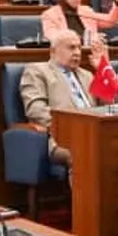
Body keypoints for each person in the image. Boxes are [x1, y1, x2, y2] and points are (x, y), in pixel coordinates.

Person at [18, 31, 106, 165]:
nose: (77, 52)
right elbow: (35, 110)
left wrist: (102, 70)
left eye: (79, 47)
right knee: (84, 152)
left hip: (93, 133)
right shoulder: (36, 71)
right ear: (53, 51)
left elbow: (108, 106)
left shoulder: (87, 75)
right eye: (71, 47)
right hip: (62, 137)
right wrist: (72, 126)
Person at [40, 0, 118, 42]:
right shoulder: (50, 15)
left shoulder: (86, 11)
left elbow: (111, 20)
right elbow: (54, 38)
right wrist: (86, 38)